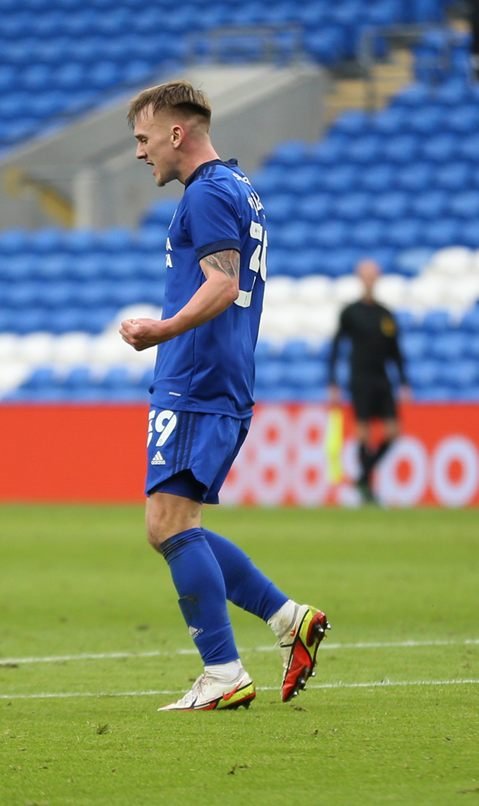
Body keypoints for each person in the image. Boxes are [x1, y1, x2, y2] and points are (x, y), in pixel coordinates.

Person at [119, 80, 329, 711]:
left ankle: (223, 671)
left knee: (167, 523)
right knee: (176, 526)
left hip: (198, 377)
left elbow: (220, 283)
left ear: (176, 133)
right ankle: (287, 619)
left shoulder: (207, 195)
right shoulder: (239, 188)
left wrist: (162, 329)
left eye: (144, 138)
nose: (139, 152)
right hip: (220, 376)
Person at [326, 259, 411, 506]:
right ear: (360, 278)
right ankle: (367, 489)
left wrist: (404, 382)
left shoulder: (385, 314)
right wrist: (332, 381)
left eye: (374, 275)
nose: (370, 280)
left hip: (382, 378)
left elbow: (395, 351)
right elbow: (336, 346)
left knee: (393, 432)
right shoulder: (350, 312)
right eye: (366, 275)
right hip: (360, 378)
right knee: (362, 433)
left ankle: (363, 476)